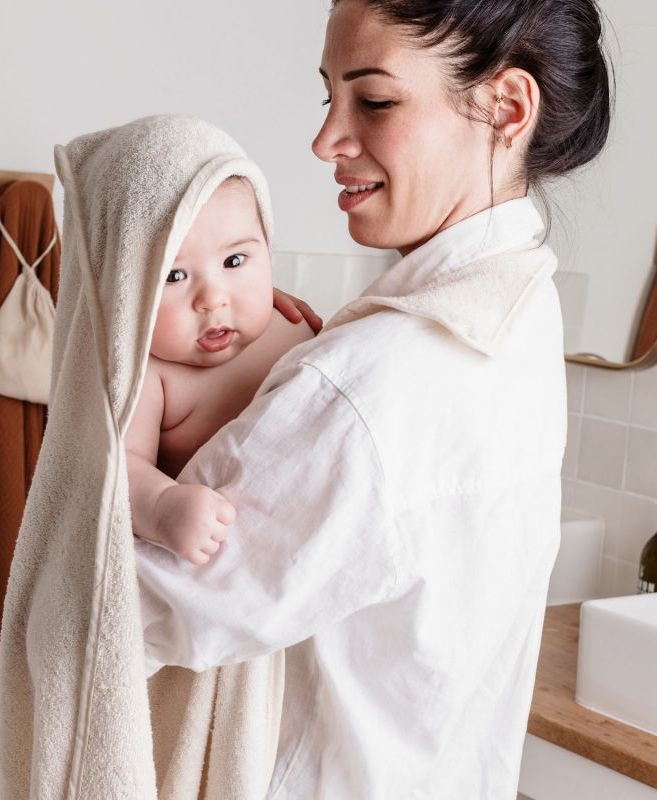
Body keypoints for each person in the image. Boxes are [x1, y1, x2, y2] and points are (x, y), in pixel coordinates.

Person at [134, 0, 614, 797]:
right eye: (330, 96)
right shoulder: (526, 309)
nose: (327, 140)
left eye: (375, 99)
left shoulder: (373, 382)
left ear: (507, 106)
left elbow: (134, 613)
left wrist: (118, 461)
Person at [125, 174, 318, 564]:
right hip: (222, 552)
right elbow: (118, 468)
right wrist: (161, 506)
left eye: (234, 261)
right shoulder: (150, 371)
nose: (213, 299)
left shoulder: (291, 323)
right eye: (173, 276)